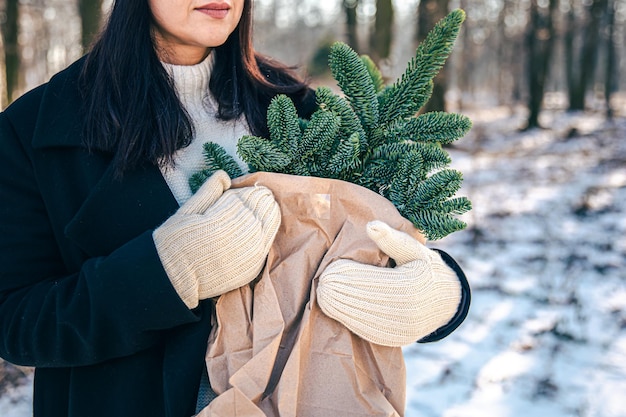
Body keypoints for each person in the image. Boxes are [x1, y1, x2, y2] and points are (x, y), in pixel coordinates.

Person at [0, 1, 470, 416]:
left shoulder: (296, 108)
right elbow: (16, 320)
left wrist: (441, 295)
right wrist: (170, 272)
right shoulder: (36, 131)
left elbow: (376, 232)